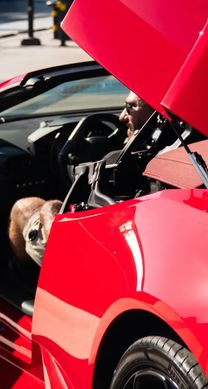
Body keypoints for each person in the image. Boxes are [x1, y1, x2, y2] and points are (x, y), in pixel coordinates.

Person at [8, 91, 153, 268]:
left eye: (130, 108)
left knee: (24, 208)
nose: (121, 117)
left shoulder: (132, 162)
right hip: (131, 251)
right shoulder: (182, 150)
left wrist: (50, 209)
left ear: (155, 115)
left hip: (97, 260)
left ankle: (26, 276)